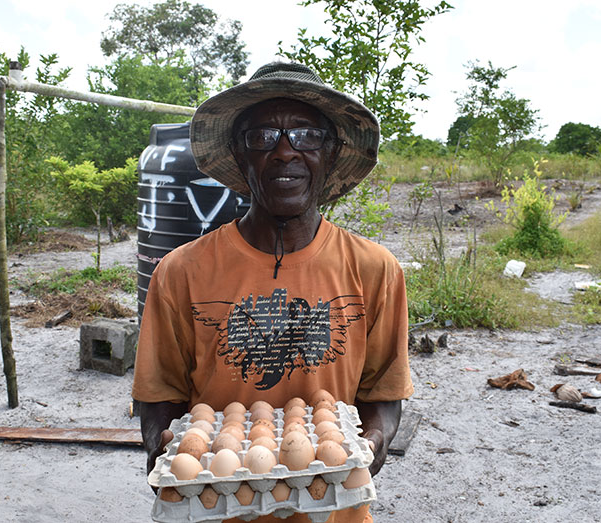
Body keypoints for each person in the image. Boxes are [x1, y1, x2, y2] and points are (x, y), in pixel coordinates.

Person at [132, 61, 414, 523]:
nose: (285, 152)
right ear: (241, 158)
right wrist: (167, 447)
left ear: (332, 153)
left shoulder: (375, 270)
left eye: (307, 135)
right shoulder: (180, 272)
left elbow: (384, 393)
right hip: (217, 513)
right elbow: (158, 395)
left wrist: (372, 444)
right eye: (262, 137)